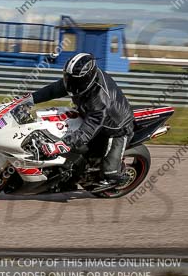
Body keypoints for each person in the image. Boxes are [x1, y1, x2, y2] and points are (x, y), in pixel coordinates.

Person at [23, 52, 134, 189]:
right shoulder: (77, 81)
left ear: (87, 79)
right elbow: (53, 90)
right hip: (88, 113)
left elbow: (86, 132)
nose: (70, 83)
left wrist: (60, 145)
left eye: (74, 81)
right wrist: (31, 99)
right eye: (68, 78)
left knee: (109, 171)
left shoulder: (99, 100)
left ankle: (118, 178)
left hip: (115, 127)